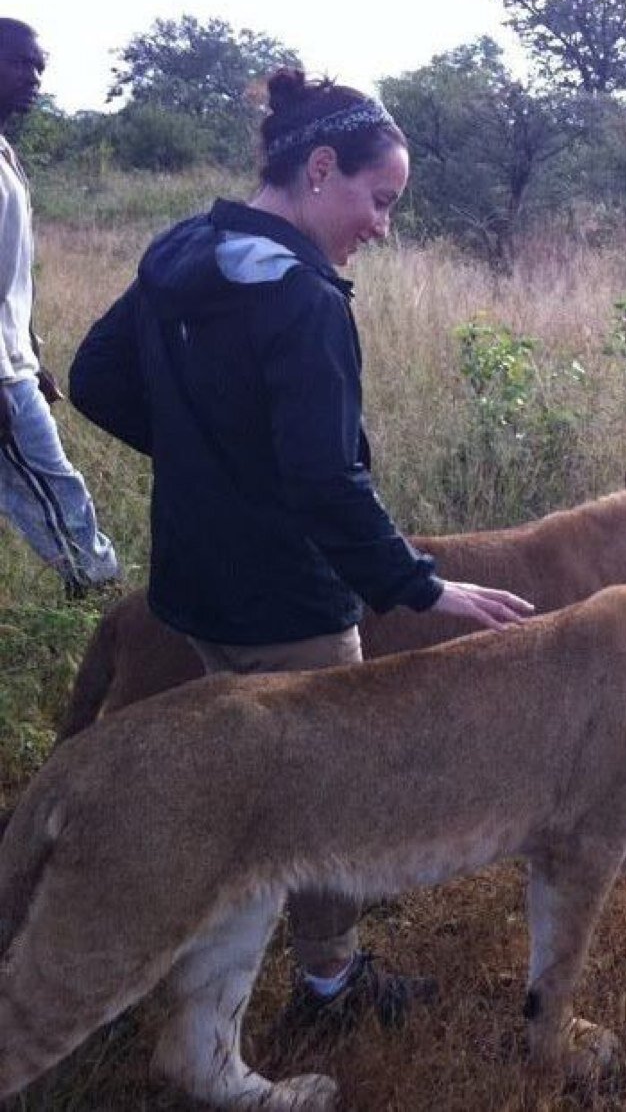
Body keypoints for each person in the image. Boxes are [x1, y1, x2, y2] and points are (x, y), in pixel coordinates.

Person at [68, 67, 534, 1040]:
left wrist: (209, 459)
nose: (383, 225)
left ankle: (179, 943)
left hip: (195, 590)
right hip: (290, 606)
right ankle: (327, 984)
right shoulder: (306, 300)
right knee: (335, 802)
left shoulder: (179, 252)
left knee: (239, 777)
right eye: (379, 199)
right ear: (320, 169)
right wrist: (420, 587)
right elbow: (326, 483)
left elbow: (96, 377)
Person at [0, 18, 118, 597]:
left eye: (41, 66)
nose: (35, 78)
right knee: (58, 492)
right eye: (22, 63)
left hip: (12, 362)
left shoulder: (5, 153)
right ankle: (96, 597)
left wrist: (32, 350)